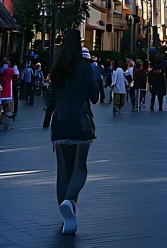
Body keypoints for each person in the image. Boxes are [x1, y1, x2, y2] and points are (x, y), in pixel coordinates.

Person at [50, 29, 99, 235]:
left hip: (59, 122)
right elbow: (95, 96)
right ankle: (70, 202)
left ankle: (66, 211)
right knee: (79, 168)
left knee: (63, 171)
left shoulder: (57, 68)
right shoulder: (84, 67)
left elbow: (51, 97)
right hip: (80, 122)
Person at [0, 59, 16, 127]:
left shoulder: (2, 70)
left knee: (1, 104)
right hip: (7, 89)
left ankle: (1, 116)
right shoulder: (10, 70)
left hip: (3, 89)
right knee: (6, 104)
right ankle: (6, 114)